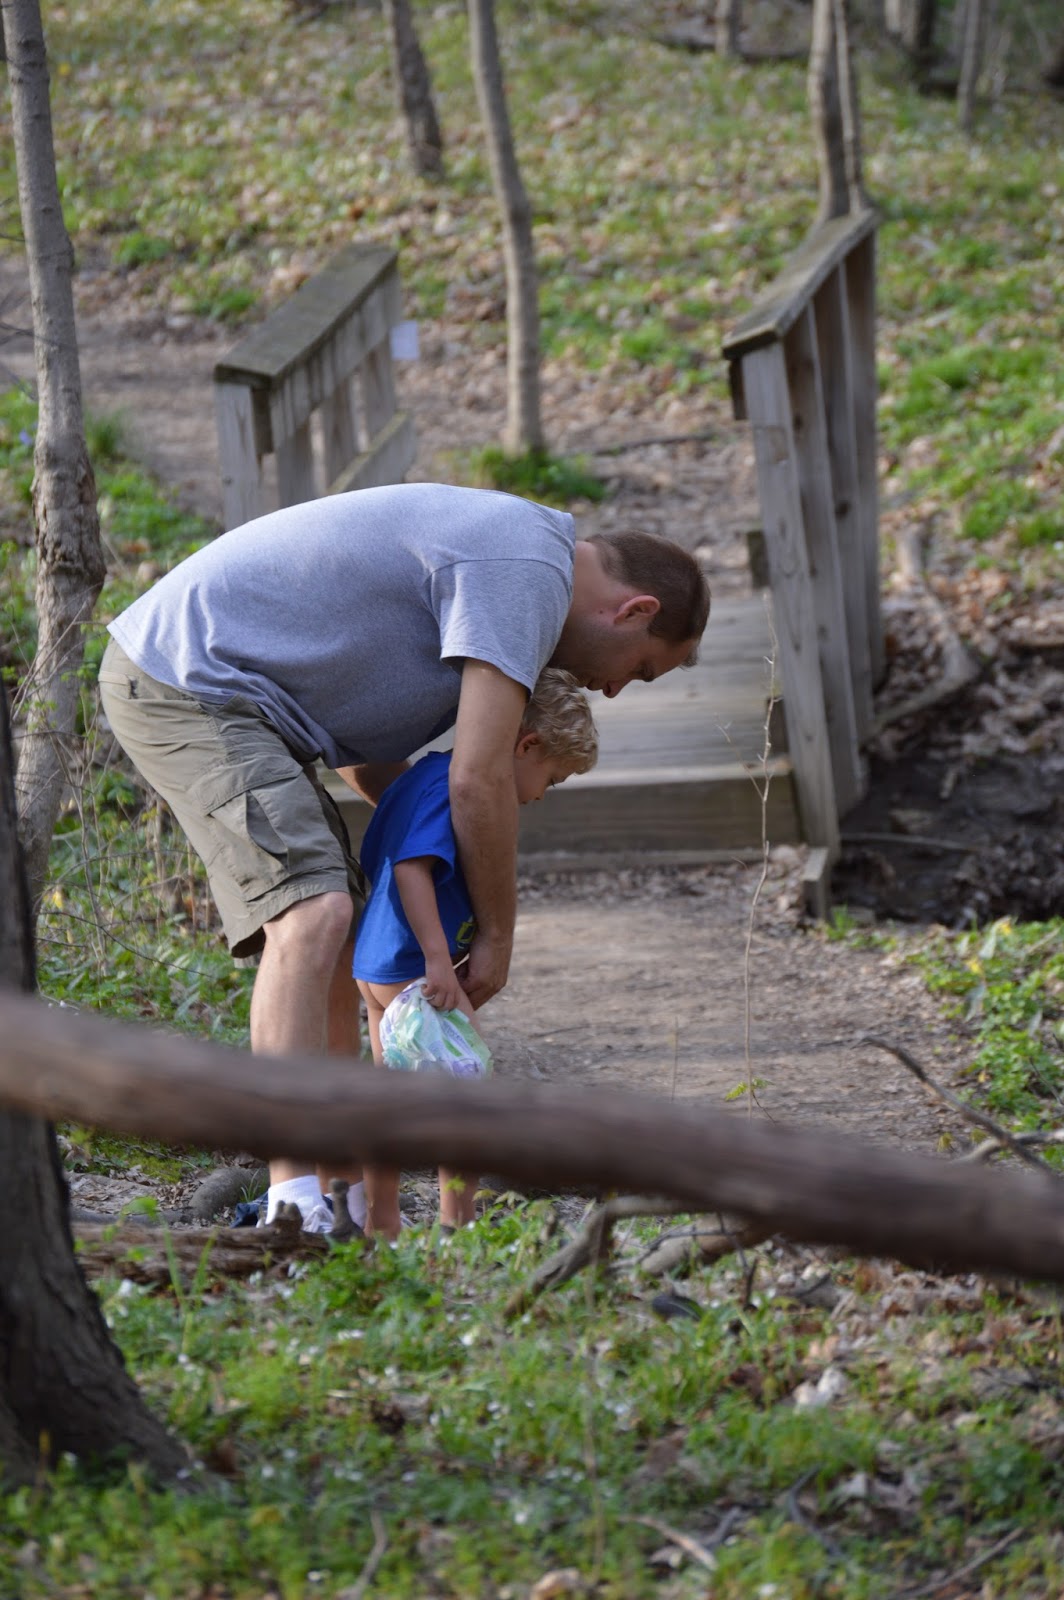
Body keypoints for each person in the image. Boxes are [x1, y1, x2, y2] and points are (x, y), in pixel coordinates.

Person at [98, 482, 710, 1232]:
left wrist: (415, 845)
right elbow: (478, 779)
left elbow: (384, 771)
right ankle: (293, 1199)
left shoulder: (517, 566)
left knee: (339, 929)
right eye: (640, 670)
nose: (613, 689)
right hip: (190, 679)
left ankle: (342, 1190)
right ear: (635, 610)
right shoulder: (528, 571)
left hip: (252, 706)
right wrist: (497, 937)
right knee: (312, 915)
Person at [353, 669, 597, 1241]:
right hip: (415, 965)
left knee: (386, 1096)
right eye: (551, 779)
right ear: (526, 745)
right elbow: (413, 868)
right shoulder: (450, 788)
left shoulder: (424, 777)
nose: (538, 795)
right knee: (463, 1096)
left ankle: (381, 1219)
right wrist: (439, 960)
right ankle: (456, 1223)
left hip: (378, 961)